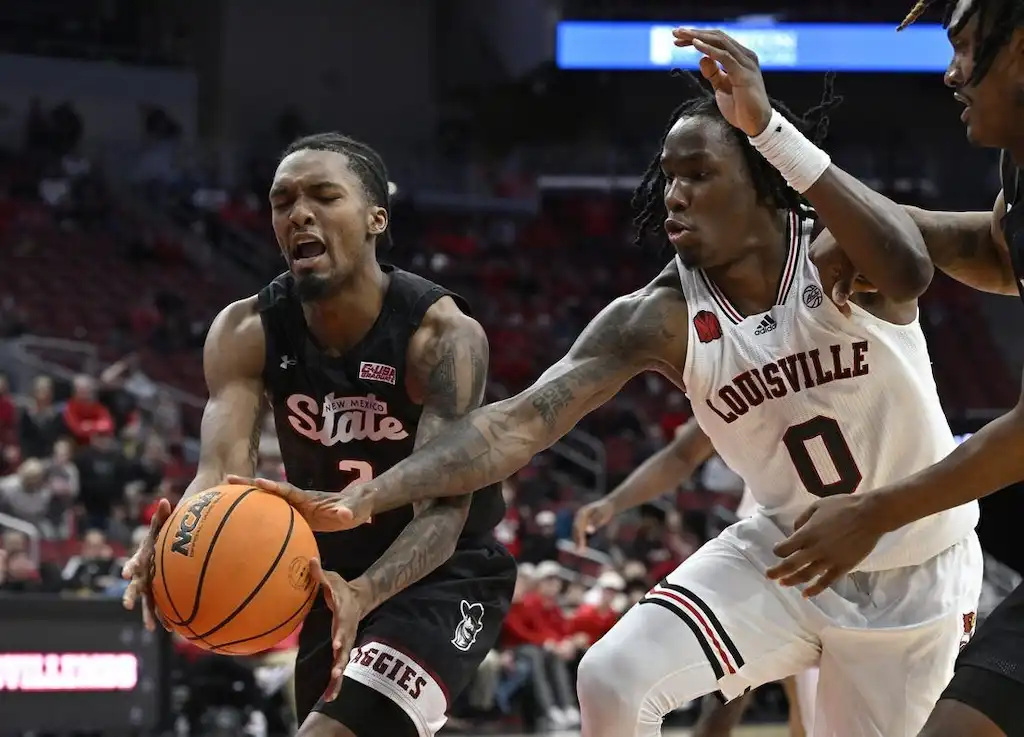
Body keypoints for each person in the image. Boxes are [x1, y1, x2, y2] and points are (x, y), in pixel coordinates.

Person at [238, 30, 983, 737]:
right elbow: (515, 425)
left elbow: (911, 270)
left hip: (911, 569)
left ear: (761, 177)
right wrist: (376, 491)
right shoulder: (655, 317)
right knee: (613, 675)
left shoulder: (835, 252)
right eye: (667, 177)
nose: (673, 195)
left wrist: (772, 131)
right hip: (787, 550)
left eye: (698, 175)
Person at [121, 132, 516, 737]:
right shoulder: (246, 328)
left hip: (443, 570)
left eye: (324, 196)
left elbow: (443, 510)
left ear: (375, 218)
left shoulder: (440, 336)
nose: (299, 212)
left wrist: (367, 592)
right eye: (283, 201)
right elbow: (219, 476)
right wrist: (178, 542)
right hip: (323, 574)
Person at [766, 2, 1024, 736]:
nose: (951, 73)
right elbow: (1005, 256)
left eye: (967, 48)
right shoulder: (1022, 164)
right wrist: (900, 224)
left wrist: (874, 513)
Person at [573, 417, 815, 737]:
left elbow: (684, 452)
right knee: (737, 694)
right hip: (765, 553)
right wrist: (614, 501)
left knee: (794, 699)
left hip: (824, 557)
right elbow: (683, 452)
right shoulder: (751, 388)